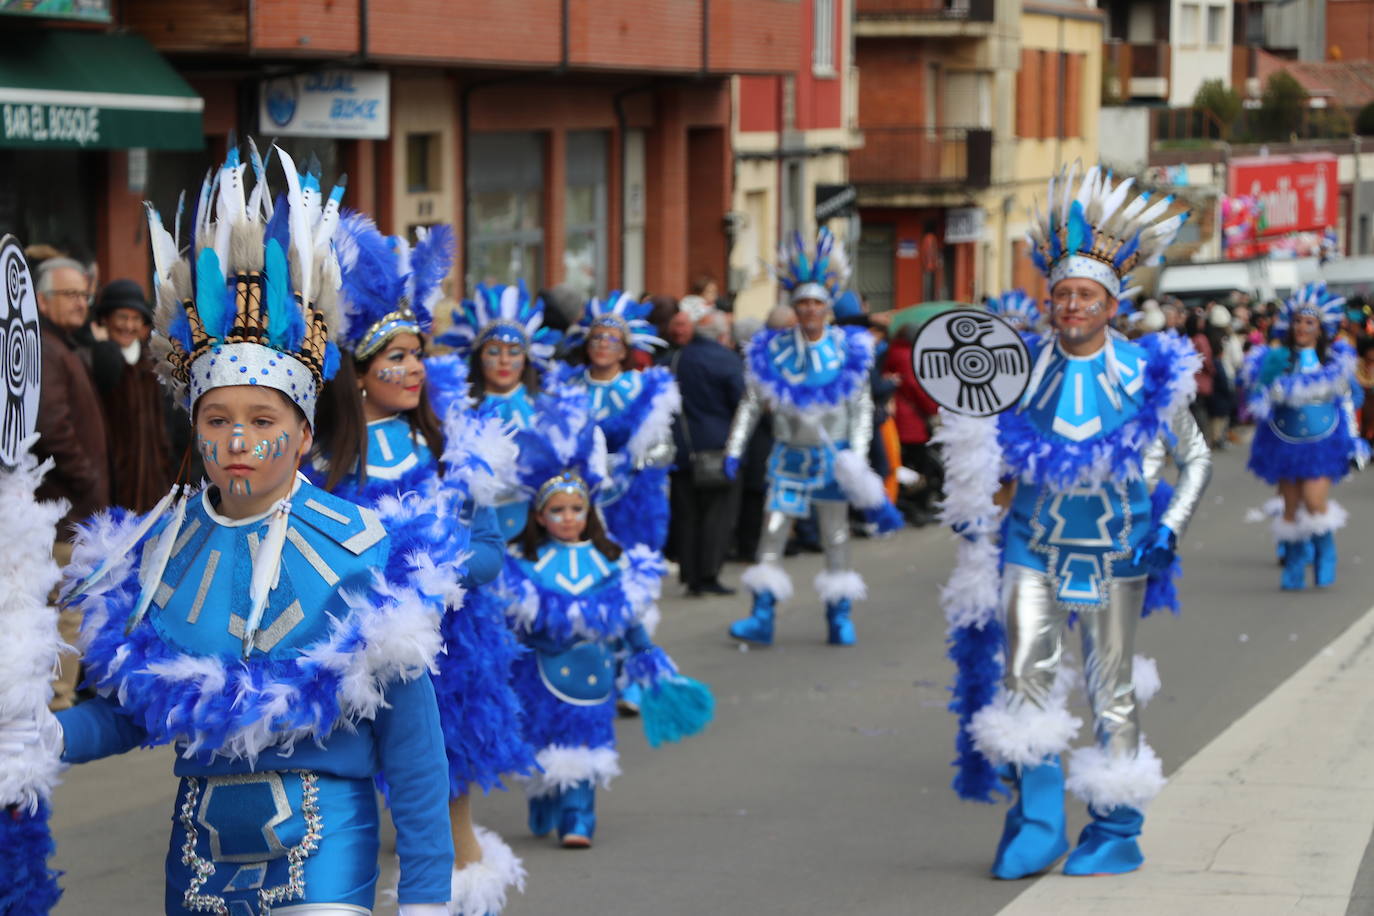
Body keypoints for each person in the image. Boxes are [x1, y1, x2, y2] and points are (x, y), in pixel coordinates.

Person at [48, 146, 456, 913]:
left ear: (303, 435)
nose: (238, 442)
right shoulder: (156, 554)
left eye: (262, 420)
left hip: (326, 844)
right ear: (194, 428)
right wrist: (47, 740)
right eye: (218, 419)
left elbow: (412, 741)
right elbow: (136, 711)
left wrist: (428, 890)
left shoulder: (364, 548)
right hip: (197, 855)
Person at [948, 164, 1211, 879]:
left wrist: (1170, 527)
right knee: (1024, 678)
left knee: (1109, 685)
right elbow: (982, 456)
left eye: (1085, 294)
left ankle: (1117, 826)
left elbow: (1195, 460)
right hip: (1031, 543)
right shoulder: (1015, 368)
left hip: (1118, 548)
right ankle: (1036, 821)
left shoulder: (1150, 373)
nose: (1070, 305)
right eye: (1061, 292)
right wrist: (972, 501)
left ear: (1111, 303)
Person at [309, 213, 532, 914]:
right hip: (358, 647)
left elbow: (491, 555)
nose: (411, 369)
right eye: (392, 358)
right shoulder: (326, 464)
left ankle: (463, 900)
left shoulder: (453, 448)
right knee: (350, 806)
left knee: (444, 813)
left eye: (416, 355)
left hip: (450, 652)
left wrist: (428, 562)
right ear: (359, 374)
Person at [496, 387, 712, 849]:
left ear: (589, 510)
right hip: (537, 674)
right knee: (541, 739)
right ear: (540, 515)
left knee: (587, 740)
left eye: (577, 509)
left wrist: (644, 654)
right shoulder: (522, 564)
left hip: (593, 674)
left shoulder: (611, 561)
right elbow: (509, 624)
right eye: (558, 510)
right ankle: (545, 796)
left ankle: (579, 814)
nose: (569, 518)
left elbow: (627, 618)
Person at [721, 229, 899, 647]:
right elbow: (750, 404)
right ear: (793, 307)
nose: (810, 310)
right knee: (773, 534)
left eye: (817, 303)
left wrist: (855, 456)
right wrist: (733, 449)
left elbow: (860, 409)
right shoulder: (772, 351)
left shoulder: (848, 349)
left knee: (836, 538)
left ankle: (839, 616)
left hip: (833, 459)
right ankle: (761, 616)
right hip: (787, 458)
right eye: (802, 303)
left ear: (828, 307)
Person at [1242, 283, 1368, 589]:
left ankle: (1326, 552)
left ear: (1320, 327)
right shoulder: (1274, 359)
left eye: (1309, 322)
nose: (1302, 327)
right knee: (1290, 508)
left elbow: (1348, 402)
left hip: (1322, 443)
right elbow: (1256, 399)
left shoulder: (1334, 361)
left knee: (1313, 503)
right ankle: (1295, 565)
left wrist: (1354, 442)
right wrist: (1263, 387)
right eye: (1298, 321)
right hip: (1283, 442)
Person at [34, 256, 111, 712]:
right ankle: (57, 713)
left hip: (66, 510)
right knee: (66, 617)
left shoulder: (58, 345)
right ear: (43, 300)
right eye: (71, 295)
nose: (83, 303)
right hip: (63, 513)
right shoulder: (44, 347)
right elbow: (52, 426)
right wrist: (87, 480)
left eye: (86, 295)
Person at [437, 281, 564, 540]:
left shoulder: (549, 408)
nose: (505, 361)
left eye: (514, 351)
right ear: (477, 356)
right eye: (494, 351)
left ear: (527, 357)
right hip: (475, 533)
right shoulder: (456, 409)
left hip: (537, 534)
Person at [562, 290, 679, 552]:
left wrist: (634, 464)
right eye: (597, 338)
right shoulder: (568, 388)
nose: (604, 345)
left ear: (625, 349)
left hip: (631, 493)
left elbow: (664, 445)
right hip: (580, 493)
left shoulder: (641, 387)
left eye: (612, 340)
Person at [669, 309, 745, 596]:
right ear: (723, 335)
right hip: (720, 448)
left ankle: (691, 576)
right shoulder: (727, 360)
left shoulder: (676, 359)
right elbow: (741, 402)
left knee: (687, 514)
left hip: (682, 448)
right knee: (717, 514)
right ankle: (710, 572)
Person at [88, 279, 179, 513]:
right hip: (109, 489)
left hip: (155, 488)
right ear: (105, 319)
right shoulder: (92, 361)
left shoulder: (155, 364)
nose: (128, 325)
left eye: (135, 318)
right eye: (122, 317)